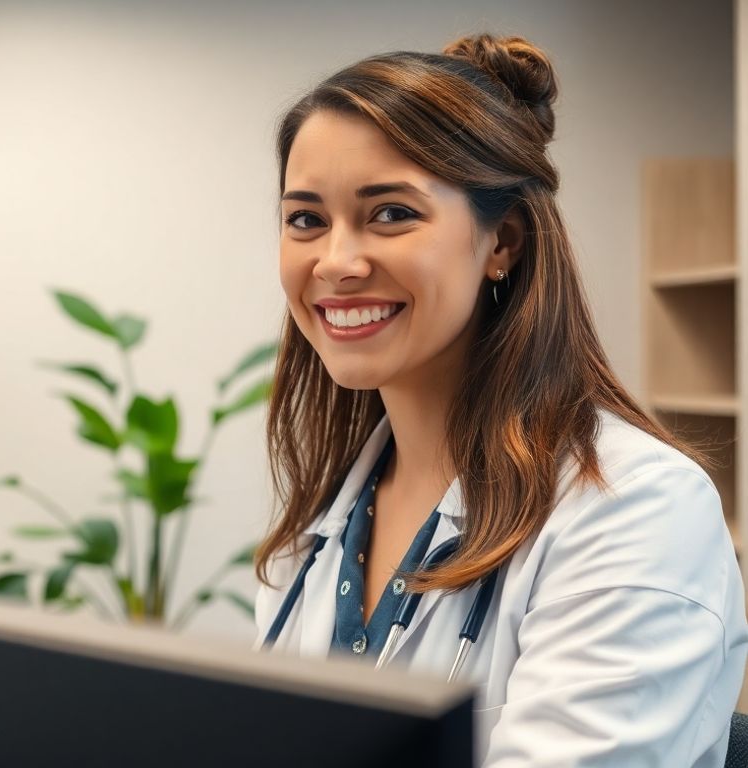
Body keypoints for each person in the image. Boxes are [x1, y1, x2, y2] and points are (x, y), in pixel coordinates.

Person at [253, 32, 748, 766]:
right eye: (306, 219)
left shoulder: (635, 511)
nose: (337, 262)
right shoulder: (315, 531)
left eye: (390, 213)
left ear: (503, 241)